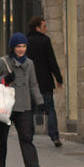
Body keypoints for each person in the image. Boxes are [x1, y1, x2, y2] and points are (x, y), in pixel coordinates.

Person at [0, 33, 44, 167]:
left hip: (23, 105)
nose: (21, 49)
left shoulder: (29, 64)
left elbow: (33, 84)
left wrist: (40, 102)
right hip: (4, 106)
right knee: (2, 137)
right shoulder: (2, 62)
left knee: (26, 137)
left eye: (23, 46)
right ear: (12, 47)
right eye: (18, 46)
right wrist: (4, 79)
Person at [25, 16, 65, 147]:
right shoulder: (45, 41)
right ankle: (54, 136)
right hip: (45, 82)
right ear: (37, 27)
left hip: (30, 82)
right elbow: (51, 60)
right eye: (44, 26)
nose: (46, 29)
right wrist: (58, 78)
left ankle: (29, 137)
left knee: (30, 109)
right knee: (50, 109)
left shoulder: (26, 41)